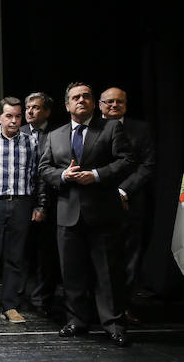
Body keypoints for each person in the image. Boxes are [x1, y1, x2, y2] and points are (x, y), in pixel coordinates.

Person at [39, 82, 135, 347]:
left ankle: (113, 324)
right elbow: (44, 169)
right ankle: (76, 321)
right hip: (67, 213)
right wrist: (63, 175)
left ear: (93, 102)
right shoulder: (55, 135)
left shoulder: (110, 128)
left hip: (102, 212)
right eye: (75, 97)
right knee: (72, 272)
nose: (81, 100)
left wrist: (96, 175)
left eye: (86, 96)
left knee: (107, 272)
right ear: (67, 105)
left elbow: (127, 160)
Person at [0, 96, 39, 325]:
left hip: (21, 203)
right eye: (9, 116)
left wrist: (38, 204)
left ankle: (10, 305)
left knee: (15, 258)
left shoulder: (31, 142)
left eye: (18, 116)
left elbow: (35, 174)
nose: (13, 121)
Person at [99, 87, 156, 323]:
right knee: (99, 258)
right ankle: (99, 308)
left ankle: (124, 308)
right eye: (109, 101)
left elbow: (148, 165)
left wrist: (124, 190)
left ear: (126, 104)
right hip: (96, 203)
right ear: (100, 105)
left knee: (129, 258)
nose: (114, 105)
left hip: (130, 203)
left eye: (119, 102)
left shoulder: (141, 129)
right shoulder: (90, 127)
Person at [19, 92, 60, 317]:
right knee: (22, 252)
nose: (30, 111)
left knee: (45, 254)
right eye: (28, 107)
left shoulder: (57, 133)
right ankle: (21, 297)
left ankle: (42, 299)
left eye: (35, 107)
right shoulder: (20, 132)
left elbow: (46, 172)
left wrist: (41, 205)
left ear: (47, 112)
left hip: (49, 202)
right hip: (21, 201)